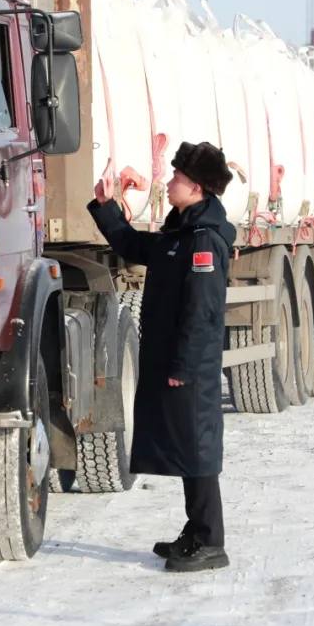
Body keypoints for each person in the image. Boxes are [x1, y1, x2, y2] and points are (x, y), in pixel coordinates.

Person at [88, 141, 236, 572]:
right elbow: (134, 248)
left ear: (198, 189)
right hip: (175, 359)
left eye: (177, 179)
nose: (169, 184)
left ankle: (211, 542)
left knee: (199, 448)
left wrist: (184, 367)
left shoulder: (205, 240)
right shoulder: (181, 234)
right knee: (187, 447)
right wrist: (106, 207)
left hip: (192, 365)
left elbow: (203, 311)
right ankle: (195, 532)